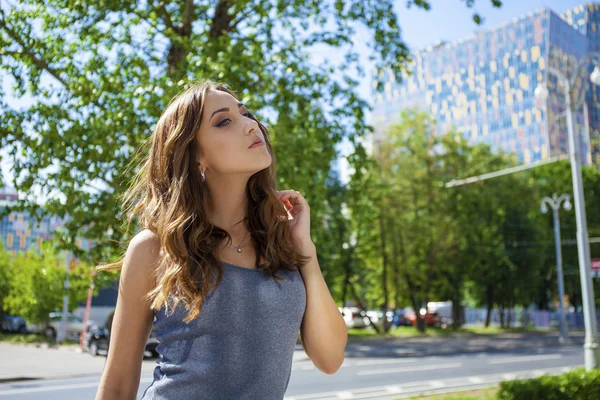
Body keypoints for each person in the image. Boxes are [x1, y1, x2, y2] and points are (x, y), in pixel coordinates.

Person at [94, 80, 347, 400]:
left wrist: (305, 251)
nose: (251, 125)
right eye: (224, 121)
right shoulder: (155, 248)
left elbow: (330, 358)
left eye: (246, 113)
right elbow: (117, 384)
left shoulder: (281, 243)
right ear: (196, 157)